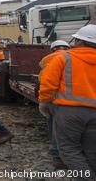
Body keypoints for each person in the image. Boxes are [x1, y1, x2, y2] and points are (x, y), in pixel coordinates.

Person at [38, 24, 96, 179]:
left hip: (69, 113)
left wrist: (44, 102)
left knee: (69, 150)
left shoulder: (64, 58)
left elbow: (48, 83)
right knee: (95, 151)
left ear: (80, 42)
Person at [38, 40, 71, 169]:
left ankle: (57, 157)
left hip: (54, 99)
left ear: (53, 49)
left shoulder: (46, 60)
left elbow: (43, 80)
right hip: (72, 99)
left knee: (54, 126)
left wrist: (43, 101)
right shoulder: (74, 57)